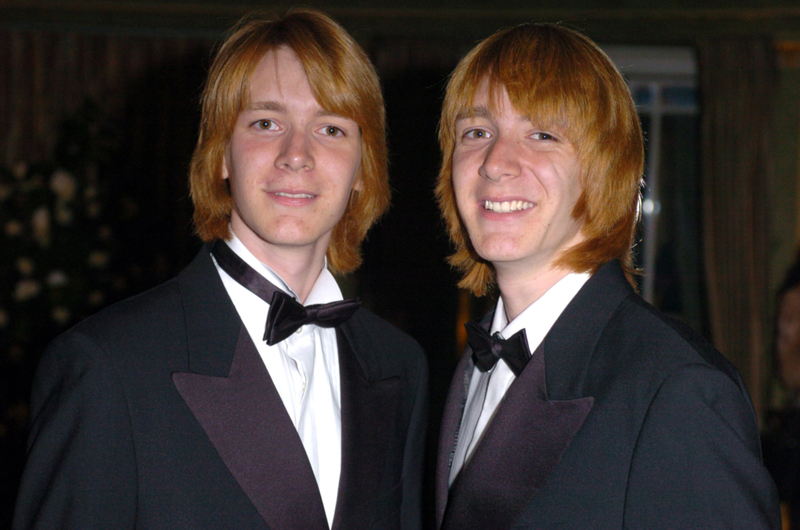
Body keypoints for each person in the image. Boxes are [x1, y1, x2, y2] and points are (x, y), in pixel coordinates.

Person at [13, 9, 428, 530]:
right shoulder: (107, 367)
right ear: (222, 155)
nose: (296, 154)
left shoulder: (399, 366)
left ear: (363, 167)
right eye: (266, 123)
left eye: (330, 128)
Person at [433, 22, 779, 529]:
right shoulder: (471, 368)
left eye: (542, 134)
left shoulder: (678, 389)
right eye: (477, 132)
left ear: (604, 170)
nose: (495, 162)